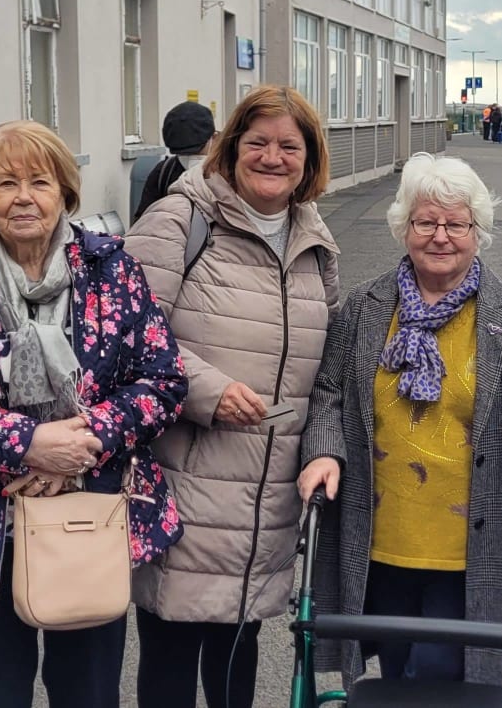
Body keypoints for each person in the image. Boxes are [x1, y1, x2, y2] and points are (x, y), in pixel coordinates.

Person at [0, 119, 186, 708]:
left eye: (40, 182)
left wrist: (87, 439)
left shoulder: (112, 271)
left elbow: (163, 380)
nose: (23, 197)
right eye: (6, 183)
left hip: (89, 517)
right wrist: (28, 443)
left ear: (65, 194)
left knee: (88, 695)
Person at [125, 85, 339, 708]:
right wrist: (206, 390)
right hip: (183, 482)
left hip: (266, 496)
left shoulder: (313, 237)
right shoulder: (179, 219)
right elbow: (125, 331)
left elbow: (324, 362)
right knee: (170, 653)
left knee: (236, 658)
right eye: (259, 142)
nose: (273, 157)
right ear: (231, 146)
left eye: (289, 146)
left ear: (309, 157)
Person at [299, 152, 502, 691]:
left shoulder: (498, 315)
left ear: (477, 232)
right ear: (404, 227)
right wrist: (324, 451)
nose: (441, 236)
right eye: (426, 222)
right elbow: (328, 392)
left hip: (470, 547)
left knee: (438, 676)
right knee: (394, 677)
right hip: (381, 541)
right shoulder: (367, 307)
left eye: (456, 224)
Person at [133, 100, 217, 221]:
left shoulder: (229, 171)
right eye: (184, 153)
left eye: (196, 151)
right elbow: (143, 221)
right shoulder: (163, 173)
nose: (189, 158)